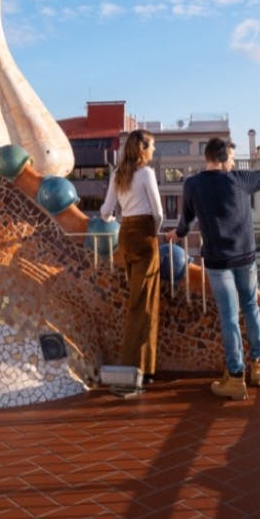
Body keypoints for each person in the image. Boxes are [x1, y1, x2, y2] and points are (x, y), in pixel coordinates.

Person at [166, 137, 260, 400]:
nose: (234, 162)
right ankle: (259, 366)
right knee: (250, 307)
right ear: (224, 159)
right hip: (244, 259)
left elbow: (187, 220)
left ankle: (235, 377)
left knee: (228, 316)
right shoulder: (239, 180)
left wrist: (176, 234)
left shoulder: (192, 184)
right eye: (232, 158)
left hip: (217, 262)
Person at [100, 129, 164, 386]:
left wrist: (117, 221)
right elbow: (158, 213)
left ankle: (134, 364)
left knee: (136, 300)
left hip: (125, 236)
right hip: (145, 238)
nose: (154, 151)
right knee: (146, 302)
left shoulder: (118, 174)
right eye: (153, 147)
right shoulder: (146, 174)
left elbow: (105, 212)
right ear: (143, 148)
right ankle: (141, 368)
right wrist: (154, 233)